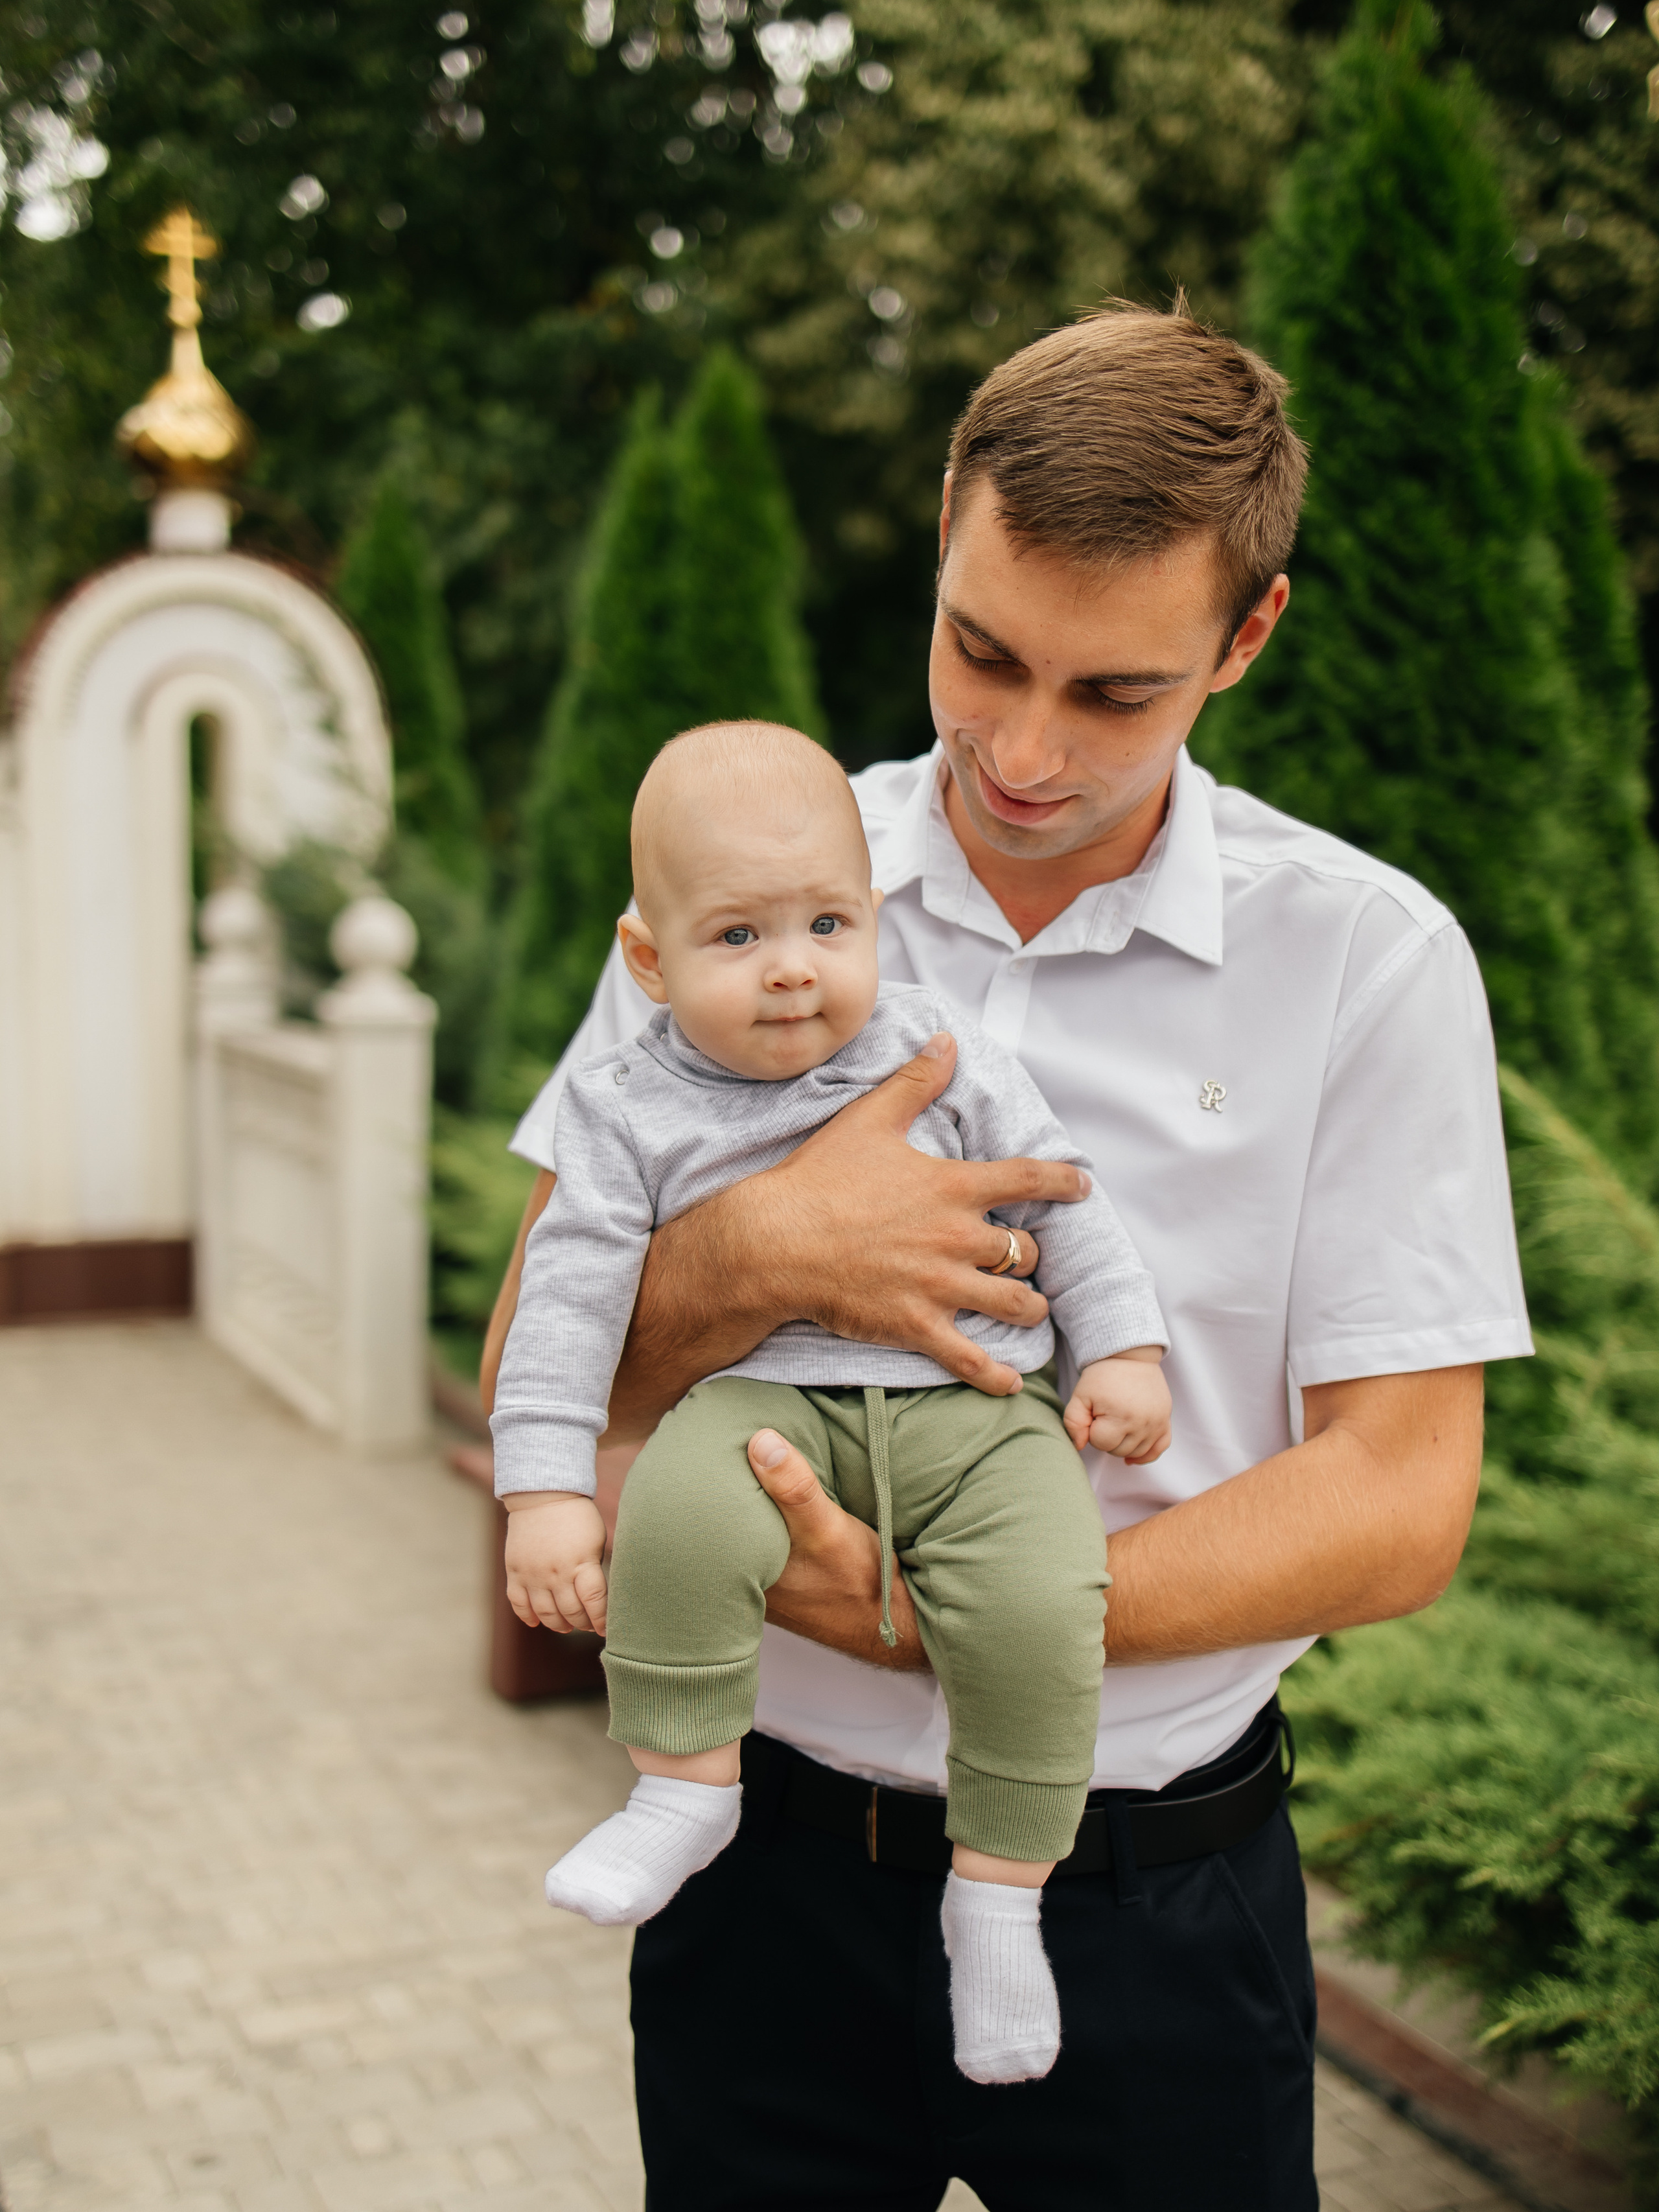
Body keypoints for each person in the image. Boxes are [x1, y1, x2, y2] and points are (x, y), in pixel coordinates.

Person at [483, 302, 1531, 2212]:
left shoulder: (1367, 957)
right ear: (947, 531)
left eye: (1116, 692)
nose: (1026, 748)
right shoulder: (748, 881)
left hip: (1157, 1892)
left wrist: (962, 1609)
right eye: (983, 652)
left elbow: (1403, 1494)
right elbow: (535, 1357)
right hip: (762, 1869)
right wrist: (768, 1247)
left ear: (1248, 634)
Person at [491, 719, 1170, 2086]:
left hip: (974, 1415)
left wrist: (1120, 1354)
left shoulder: (938, 1048)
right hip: (759, 1404)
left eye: (826, 922)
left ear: (874, 920)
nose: (792, 965)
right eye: (736, 938)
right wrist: (547, 1494)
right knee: (677, 1517)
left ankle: (997, 1904)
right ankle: (681, 1786)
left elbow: (1063, 1200)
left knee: (1046, 1604)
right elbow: (562, 1309)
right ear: (648, 961)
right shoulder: (624, 1110)